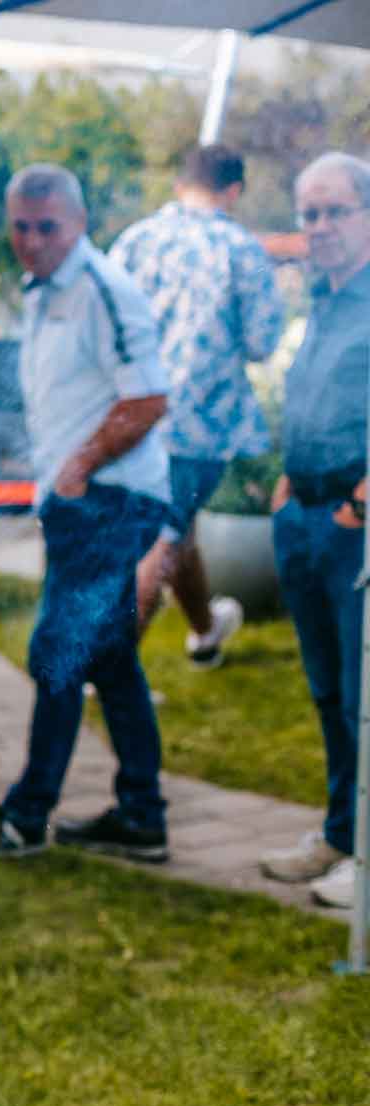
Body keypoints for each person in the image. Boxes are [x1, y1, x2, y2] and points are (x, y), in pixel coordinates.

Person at [0, 164, 173, 862]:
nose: (33, 241)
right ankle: (142, 816)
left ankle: (24, 818)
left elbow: (149, 398)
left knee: (59, 654)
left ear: (79, 223)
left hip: (110, 498)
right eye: (21, 226)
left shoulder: (103, 290)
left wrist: (80, 464)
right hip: (80, 501)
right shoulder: (44, 293)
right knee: (111, 659)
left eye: (47, 227)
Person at [109, 143, 284, 665]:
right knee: (162, 544)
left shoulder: (134, 240)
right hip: (197, 426)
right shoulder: (241, 250)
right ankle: (108, 673)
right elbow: (261, 342)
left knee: (174, 532)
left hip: (127, 417)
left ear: (179, 184)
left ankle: (205, 635)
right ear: (233, 191)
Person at [258, 153, 370, 907]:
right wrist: (290, 485)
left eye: (335, 211)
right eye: (309, 213)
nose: (321, 226)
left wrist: (359, 502)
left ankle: (367, 862)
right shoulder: (326, 299)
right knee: (329, 691)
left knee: (365, 694)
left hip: (354, 523)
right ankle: (340, 833)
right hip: (304, 516)